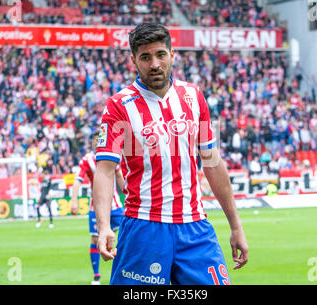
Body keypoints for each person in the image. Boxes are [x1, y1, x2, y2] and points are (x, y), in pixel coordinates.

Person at [92, 23, 248, 285]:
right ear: (134, 61)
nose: (155, 64)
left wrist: (236, 225)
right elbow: (106, 170)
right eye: (145, 57)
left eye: (160, 55)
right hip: (144, 227)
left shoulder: (193, 96)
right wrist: (104, 226)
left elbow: (212, 162)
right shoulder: (119, 105)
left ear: (172, 55)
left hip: (195, 227)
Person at [71, 131, 125, 285]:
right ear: (93, 142)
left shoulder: (113, 154)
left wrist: (128, 195)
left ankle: (124, 269)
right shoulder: (87, 160)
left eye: (101, 138)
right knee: (96, 239)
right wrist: (74, 201)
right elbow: (77, 181)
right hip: (96, 206)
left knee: (128, 232)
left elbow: (120, 175)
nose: (99, 141)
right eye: (97, 139)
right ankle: (96, 276)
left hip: (115, 206)